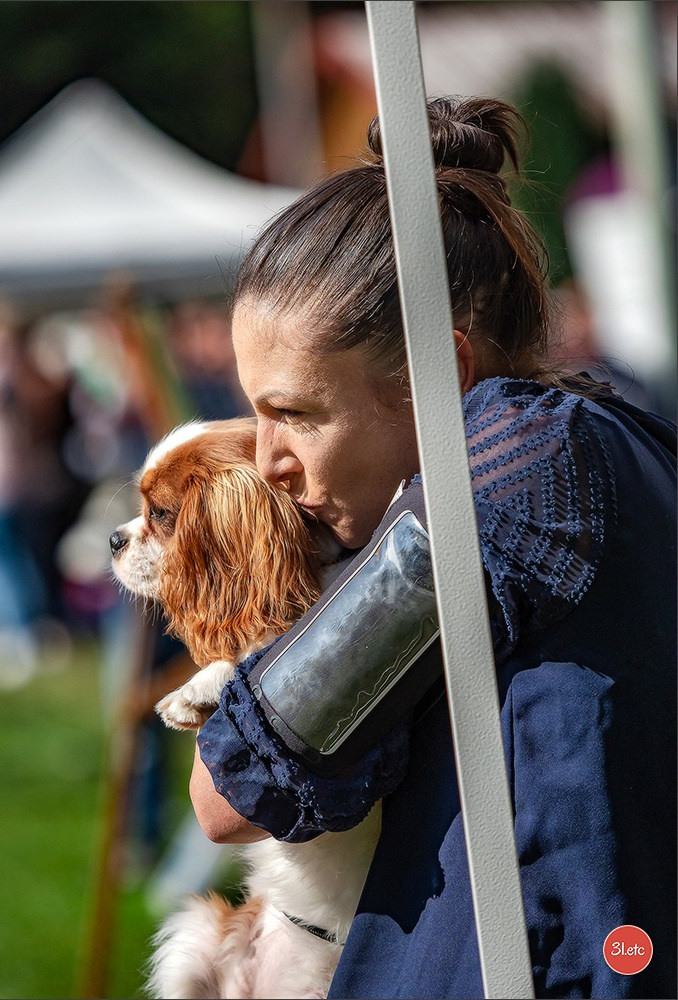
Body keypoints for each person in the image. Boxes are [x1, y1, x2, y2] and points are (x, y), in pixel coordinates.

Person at [185, 97, 676, 998]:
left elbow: (232, 789)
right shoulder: (617, 433)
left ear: (440, 376)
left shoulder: (516, 462)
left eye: (295, 412)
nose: (269, 462)